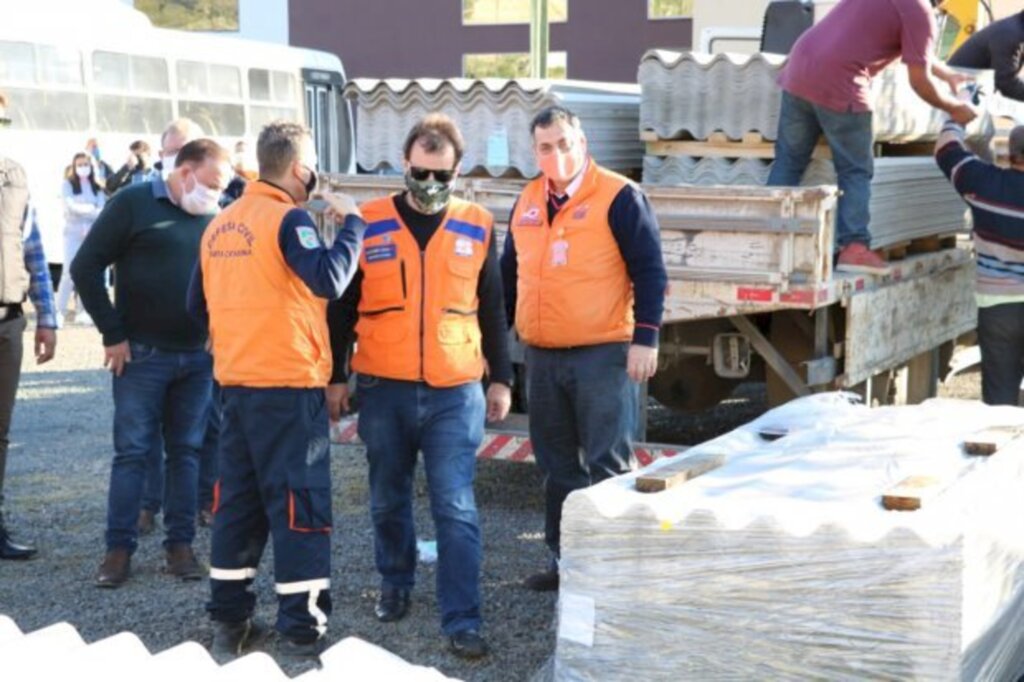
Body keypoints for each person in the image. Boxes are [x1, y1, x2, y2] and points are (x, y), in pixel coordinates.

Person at [329, 113, 512, 660]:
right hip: (384, 388)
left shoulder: (478, 223)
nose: (430, 185)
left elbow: (494, 308)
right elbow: (341, 305)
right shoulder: (370, 221)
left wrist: (501, 378)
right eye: (420, 173)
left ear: (457, 172)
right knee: (387, 499)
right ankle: (396, 582)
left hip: (455, 390)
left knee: (455, 506)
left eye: (441, 176)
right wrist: (336, 376)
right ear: (403, 166)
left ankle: (462, 616)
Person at [189, 121, 365, 661]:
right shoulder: (289, 220)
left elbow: (197, 308)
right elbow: (330, 279)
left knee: (237, 504)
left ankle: (229, 619)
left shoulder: (219, 226)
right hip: (288, 389)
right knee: (299, 507)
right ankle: (301, 628)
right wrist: (354, 225)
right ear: (298, 169)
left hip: (235, 389)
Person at [500, 106, 667, 592]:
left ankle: (617, 571)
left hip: (603, 354)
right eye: (546, 147)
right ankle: (564, 564)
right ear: (535, 152)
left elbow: (651, 271)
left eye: (565, 143)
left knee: (608, 466)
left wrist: (646, 338)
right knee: (556, 468)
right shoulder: (527, 200)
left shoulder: (619, 196)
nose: (558, 154)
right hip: (543, 356)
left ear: (583, 142)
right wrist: (493, 349)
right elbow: (509, 276)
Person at [71, 138, 231, 588]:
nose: (216, 196)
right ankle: (118, 551)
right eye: (212, 184)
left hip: (197, 357)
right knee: (133, 454)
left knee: (187, 453)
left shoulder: (213, 218)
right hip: (141, 355)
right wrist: (113, 332)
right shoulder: (132, 204)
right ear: (185, 173)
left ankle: (180, 547)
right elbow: (85, 268)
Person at [766, 0, 979, 274]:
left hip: (799, 68)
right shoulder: (920, 11)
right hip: (841, 80)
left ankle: (766, 238)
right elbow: (919, 79)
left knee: (789, 161)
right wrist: (954, 107)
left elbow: (914, 48)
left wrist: (948, 74)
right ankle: (854, 248)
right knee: (855, 170)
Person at [0, 90, 58, 560]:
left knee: (0, 430)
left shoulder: (13, 176)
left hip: (9, 320)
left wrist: (48, 317)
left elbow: (32, 248)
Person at [935, 115, 1024, 405]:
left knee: (999, 399)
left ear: (1010, 154)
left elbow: (946, 150)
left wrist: (957, 116)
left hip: (997, 307)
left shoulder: (983, 182)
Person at [56, 152, 105, 327]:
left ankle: (82, 311)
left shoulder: (97, 187)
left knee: (87, 272)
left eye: (86, 164)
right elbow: (70, 207)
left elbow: (102, 210)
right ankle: (59, 311)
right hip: (72, 233)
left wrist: (86, 211)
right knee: (68, 272)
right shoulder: (67, 185)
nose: (82, 167)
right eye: (79, 164)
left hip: (91, 235)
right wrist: (90, 209)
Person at [948, 11, 1024, 102]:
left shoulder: (1015, 27)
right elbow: (1005, 82)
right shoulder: (1010, 34)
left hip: (969, 92)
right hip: (956, 96)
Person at [219, 140, 256, 208]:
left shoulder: (256, 179)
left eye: (244, 152)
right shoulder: (225, 180)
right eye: (238, 152)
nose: (241, 156)